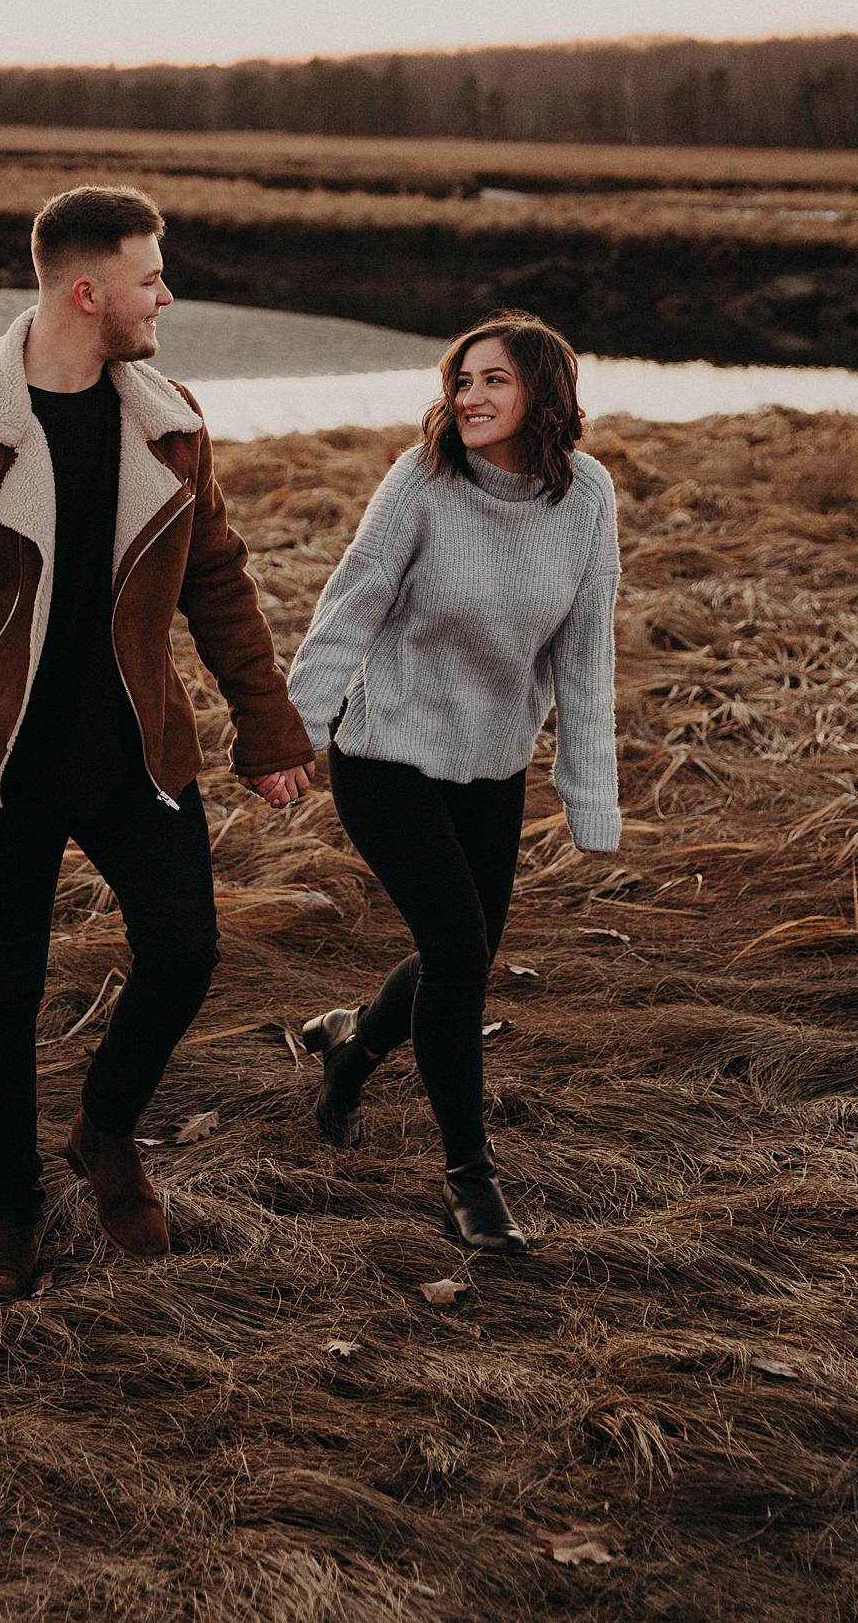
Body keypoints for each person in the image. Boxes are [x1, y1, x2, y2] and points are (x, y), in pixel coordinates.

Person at [0, 185, 314, 1300]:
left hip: (135, 753)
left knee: (188, 949)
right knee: (1, 996)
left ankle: (105, 1132)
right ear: (89, 291)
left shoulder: (169, 420)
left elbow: (217, 576)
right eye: (153, 277)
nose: (169, 294)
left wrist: (266, 722)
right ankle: (11, 1219)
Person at [286, 311, 620, 1255]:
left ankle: (349, 1054)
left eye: (494, 381)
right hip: (385, 750)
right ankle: (470, 1180)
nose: (468, 397)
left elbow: (586, 653)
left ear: (542, 397)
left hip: (492, 762)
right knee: (461, 955)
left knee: (454, 957)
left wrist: (589, 794)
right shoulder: (423, 478)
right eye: (461, 379)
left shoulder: (587, 496)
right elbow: (350, 602)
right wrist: (297, 733)